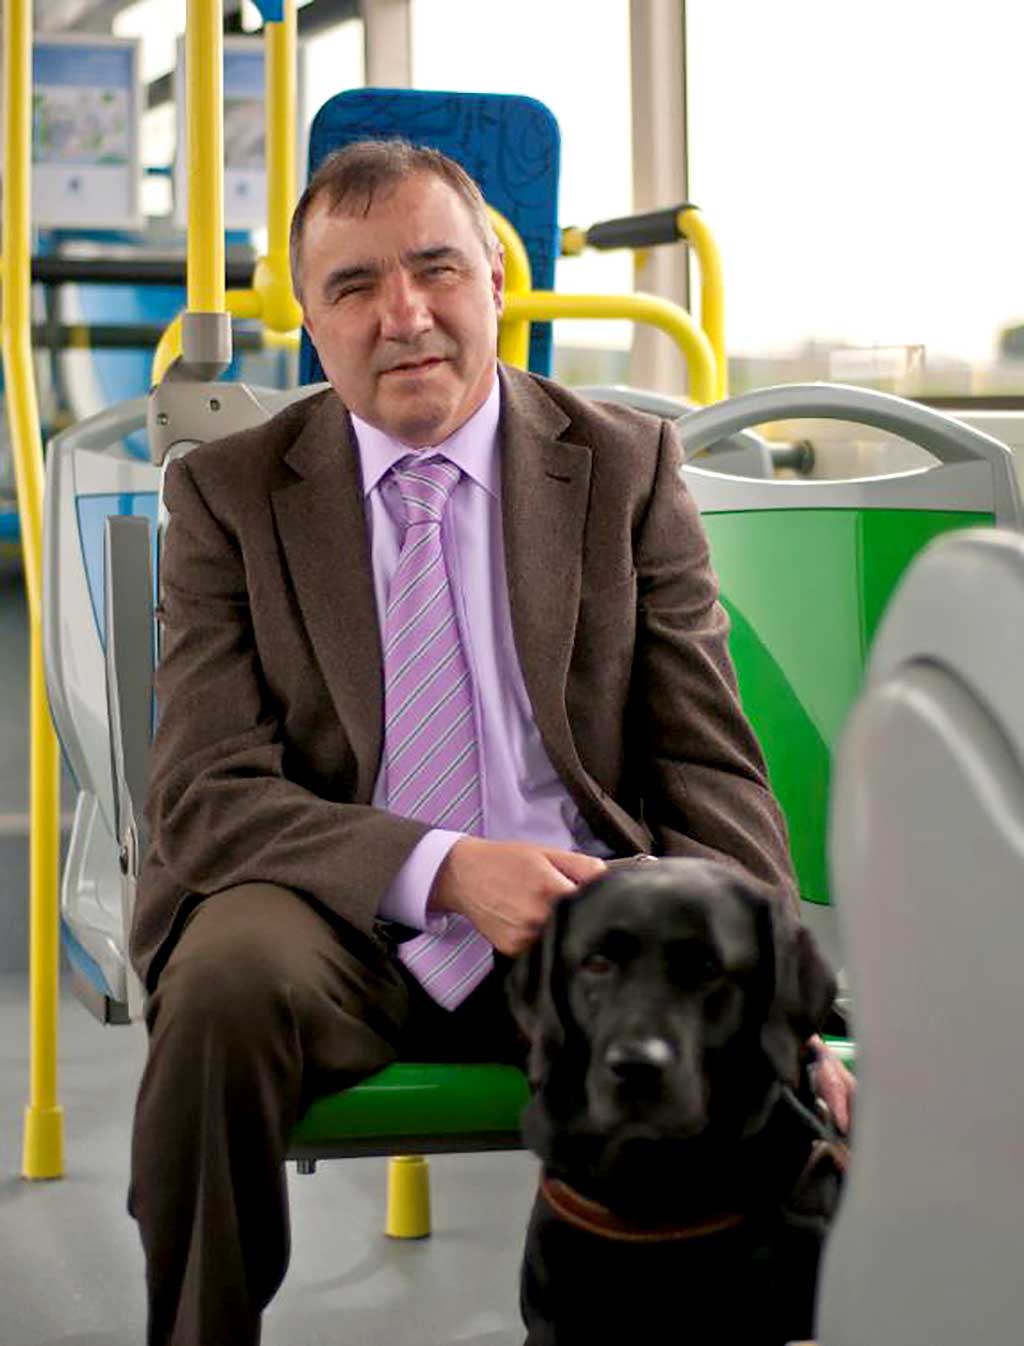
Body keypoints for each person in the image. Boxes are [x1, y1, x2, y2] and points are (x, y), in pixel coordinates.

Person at [128, 138, 851, 1346]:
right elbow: (205, 793)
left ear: (496, 286)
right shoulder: (230, 495)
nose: (403, 314)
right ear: (310, 322)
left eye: (436, 269)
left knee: (739, 1041)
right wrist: (447, 867)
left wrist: (794, 1016)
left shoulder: (621, 466)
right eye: (354, 286)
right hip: (340, 917)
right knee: (221, 982)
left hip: (583, 912)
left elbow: (704, 764)